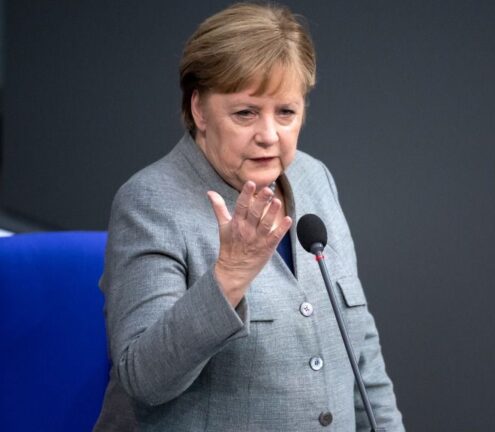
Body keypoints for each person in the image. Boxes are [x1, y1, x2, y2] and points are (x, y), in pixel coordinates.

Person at [93, 3, 404, 430]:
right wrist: (229, 278)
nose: (269, 135)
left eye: (286, 112)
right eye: (245, 113)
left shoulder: (314, 179)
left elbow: (360, 348)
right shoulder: (150, 203)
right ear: (199, 109)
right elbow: (144, 378)